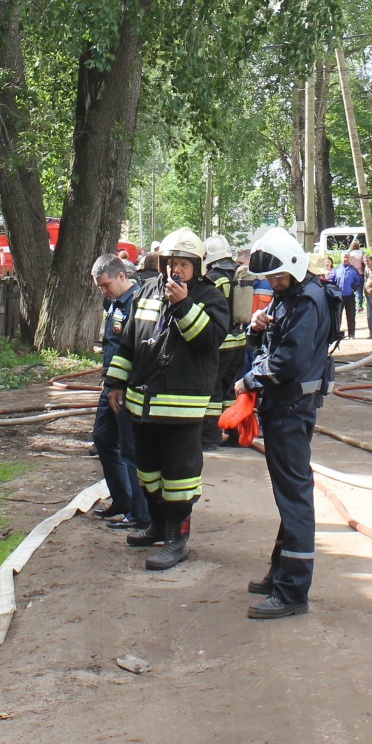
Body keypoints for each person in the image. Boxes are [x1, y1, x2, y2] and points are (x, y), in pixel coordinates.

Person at [107, 227, 230, 570]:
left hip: (180, 408)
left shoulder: (210, 296)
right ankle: (157, 526)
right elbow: (129, 342)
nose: (174, 270)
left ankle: (177, 540)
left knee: (179, 477)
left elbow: (208, 342)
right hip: (142, 406)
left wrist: (183, 305)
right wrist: (116, 383)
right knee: (148, 471)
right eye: (170, 263)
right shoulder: (145, 291)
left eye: (183, 264)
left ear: (197, 266)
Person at [235, 228, 335, 620]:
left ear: (293, 268)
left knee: (294, 496)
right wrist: (257, 329)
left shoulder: (307, 302)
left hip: (291, 410)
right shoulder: (290, 296)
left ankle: (293, 590)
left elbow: (288, 361)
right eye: (270, 280)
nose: (273, 286)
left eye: (277, 279)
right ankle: (282, 573)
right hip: (283, 408)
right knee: (287, 492)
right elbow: (274, 345)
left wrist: (249, 379)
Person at [88, 254, 148, 532]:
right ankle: (122, 501)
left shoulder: (138, 303)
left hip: (125, 387)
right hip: (110, 383)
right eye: (100, 287)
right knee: (103, 438)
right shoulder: (114, 303)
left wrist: (122, 385)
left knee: (130, 449)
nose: (103, 291)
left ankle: (140, 513)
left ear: (121, 276)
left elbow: (136, 349)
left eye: (106, 285)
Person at [201, 235, 248, 452]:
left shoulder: (212, 278)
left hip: (220, 343)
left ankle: (209, 438)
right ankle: (236, 434)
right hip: (240, 340)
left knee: (213, 391)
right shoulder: (238, 274)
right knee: (232, 390)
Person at [330, 253, 363, 340]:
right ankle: (336, 333)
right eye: (344, 257)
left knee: (351, 316)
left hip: (350, 297)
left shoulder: (354, 270)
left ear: (350, 258)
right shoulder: (336, 269)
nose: (345, 259)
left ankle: (351, 334)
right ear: (341, 258)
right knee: (337, 316)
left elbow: (358, 282)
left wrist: (353, 289)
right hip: (338, 297)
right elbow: (331, 280)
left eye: (347, 257)